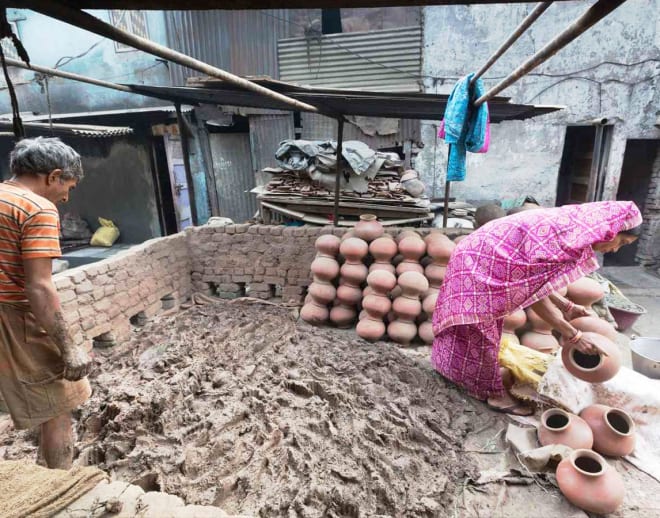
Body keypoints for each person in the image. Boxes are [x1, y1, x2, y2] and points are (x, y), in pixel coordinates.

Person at [431, 201, 642, 415]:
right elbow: (531, 293)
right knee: (480, 328)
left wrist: (566, 305)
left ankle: (454, 372)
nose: (615, 249)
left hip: (485, 252)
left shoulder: (574, 231)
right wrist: (573, 335)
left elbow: (534, 280)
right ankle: (494, 395)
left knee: (478, 327)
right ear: (611, 228)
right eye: (621, 241)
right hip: (479, 259)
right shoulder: (566, 238)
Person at [0, 137, 92, 468]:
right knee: (60, 401)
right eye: (67, 186)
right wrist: (69, 348)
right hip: (11, 316)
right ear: (52, 176)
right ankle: (58, 488)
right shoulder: (36, 208)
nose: (66, 196)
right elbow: (39, 286)